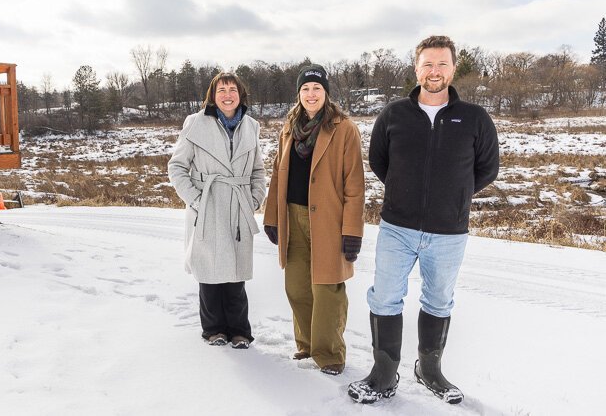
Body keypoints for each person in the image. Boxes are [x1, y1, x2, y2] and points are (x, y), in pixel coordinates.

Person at [348, 35, 499, 404]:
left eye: (442, 64)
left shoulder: (476, 118)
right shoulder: (394, 114)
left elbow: (487, 169)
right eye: (427, 64)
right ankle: (384, 373)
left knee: (439, 301)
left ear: (453, 68)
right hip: (397, 227)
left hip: (448, 232)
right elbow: (380, 162)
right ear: (416, 69)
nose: (435, 71)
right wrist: (406, 192)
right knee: (384, 298)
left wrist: (454, 197)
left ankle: (429, 370)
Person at [263, 64, 365, 375]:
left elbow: (355, 185)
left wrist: (352, 231)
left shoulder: (344, 128)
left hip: (329, 221)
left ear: (326, 93)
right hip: (293, 216)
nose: (311, 94)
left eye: (316, 89)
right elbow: (278, 175)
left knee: (327, 289)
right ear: (299, 94)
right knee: (296, 286)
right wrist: (272, 217)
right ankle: (306, 345)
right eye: (305, 89)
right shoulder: (289, 128)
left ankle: (330, 354)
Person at [168, 72, 266, 349]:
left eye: (232, 89)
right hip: (208, 204)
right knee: (209, 271)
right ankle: (213, 330)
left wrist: (255, 198)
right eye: (221, 89)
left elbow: (258, 170)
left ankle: (239, 331)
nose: (227, 94)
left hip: (237, 206)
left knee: (236, 273)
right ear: (213, 95)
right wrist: (197, 200)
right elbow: (177, 167)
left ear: (240, 94)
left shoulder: (251, 126)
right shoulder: (195, 123)